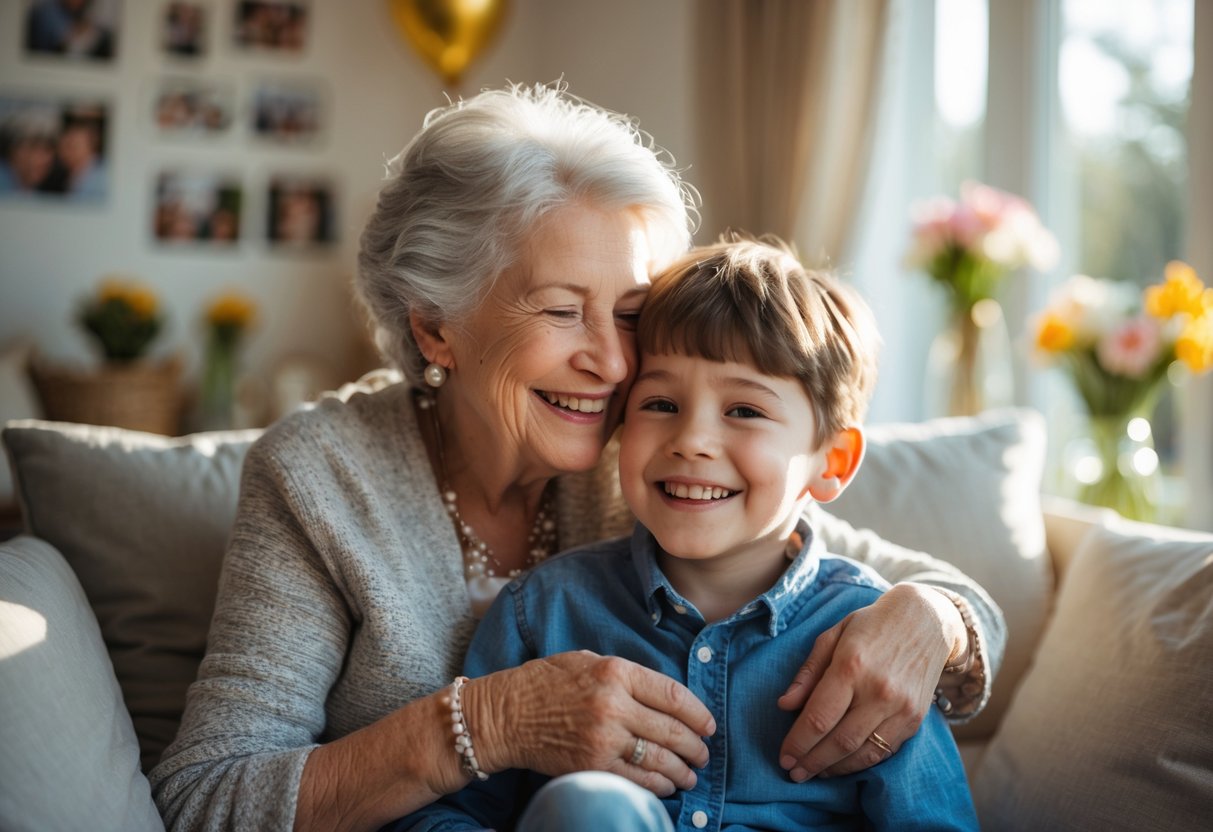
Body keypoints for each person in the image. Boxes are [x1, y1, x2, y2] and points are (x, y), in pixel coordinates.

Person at [149, 83, 1003, 832]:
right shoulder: (323, 480)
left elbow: (853, 582)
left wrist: (936, 619)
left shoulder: (656, 450)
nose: (616, 362)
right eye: (562, 312)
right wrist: (490, 724)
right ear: (434, 326)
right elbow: (203, 799)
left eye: (630, 313)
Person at [389, 238, 979, 831]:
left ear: (832, 462)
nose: (691, 439)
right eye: (661, 403)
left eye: (744, 411)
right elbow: (447, 815)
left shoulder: (871, 648)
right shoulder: (543, 611)